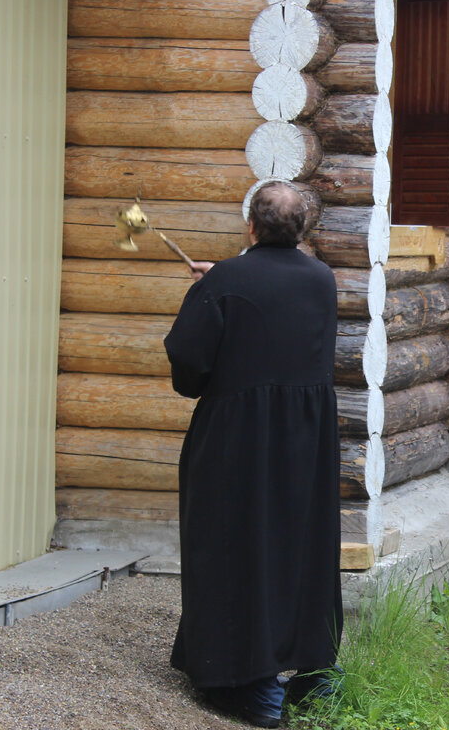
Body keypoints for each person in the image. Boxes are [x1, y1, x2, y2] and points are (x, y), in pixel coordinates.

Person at [164, 181, 342, 728]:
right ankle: (312, 672)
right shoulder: (322, 279)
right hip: (307, 439)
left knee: (232, 541)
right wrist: (217, 284)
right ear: (302, 228)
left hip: (239, 438)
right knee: (301, 543)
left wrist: (210, 289)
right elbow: (272, 310)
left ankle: (248, 682)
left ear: (251, 226)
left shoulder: (227, 281)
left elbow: (189, 369)